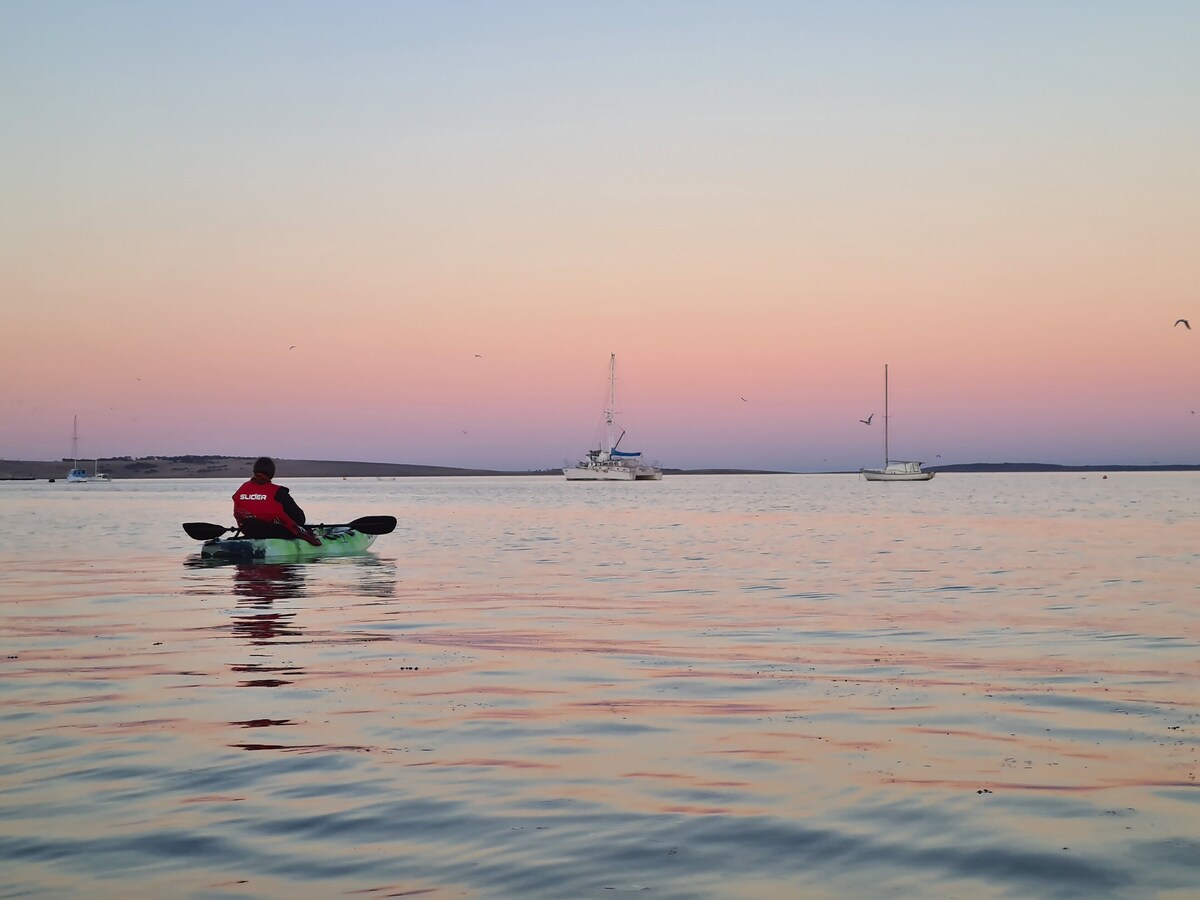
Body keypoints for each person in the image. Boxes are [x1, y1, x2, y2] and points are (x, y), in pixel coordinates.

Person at [232, 457, 320, 545]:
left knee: (252, 524)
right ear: (271, 473)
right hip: (274, 531)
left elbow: (238, 515)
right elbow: (300, 518)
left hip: (249, 529)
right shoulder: (278, 492)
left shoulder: (241, 490)